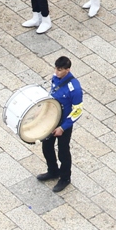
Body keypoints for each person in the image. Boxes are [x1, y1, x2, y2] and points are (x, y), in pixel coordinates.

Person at [36, 56, 84, 193]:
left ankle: (65, 178)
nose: (57, 72)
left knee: (63, 152)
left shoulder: (74, 89)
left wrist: (63, 127)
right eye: (56, 69)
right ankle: (52, 171)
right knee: (47, 147)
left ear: (67, 70)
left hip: (64, 123)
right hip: (51, 120)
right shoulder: (55, 78)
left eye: (60, 70)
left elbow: (77, 111)